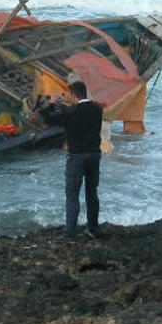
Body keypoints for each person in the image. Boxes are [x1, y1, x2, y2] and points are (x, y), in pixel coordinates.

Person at [37, 81, 103, 239]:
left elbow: (48, 120)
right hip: (94, 154)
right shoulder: (97, 109)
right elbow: (78, 112)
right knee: (92, 193)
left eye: (68, 95)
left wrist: (52, 104)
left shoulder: (71, 112)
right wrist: (65, 106)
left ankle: (70, 232)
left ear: (74, 94)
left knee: (72, 193)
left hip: (77, 156)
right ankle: (93, 229)